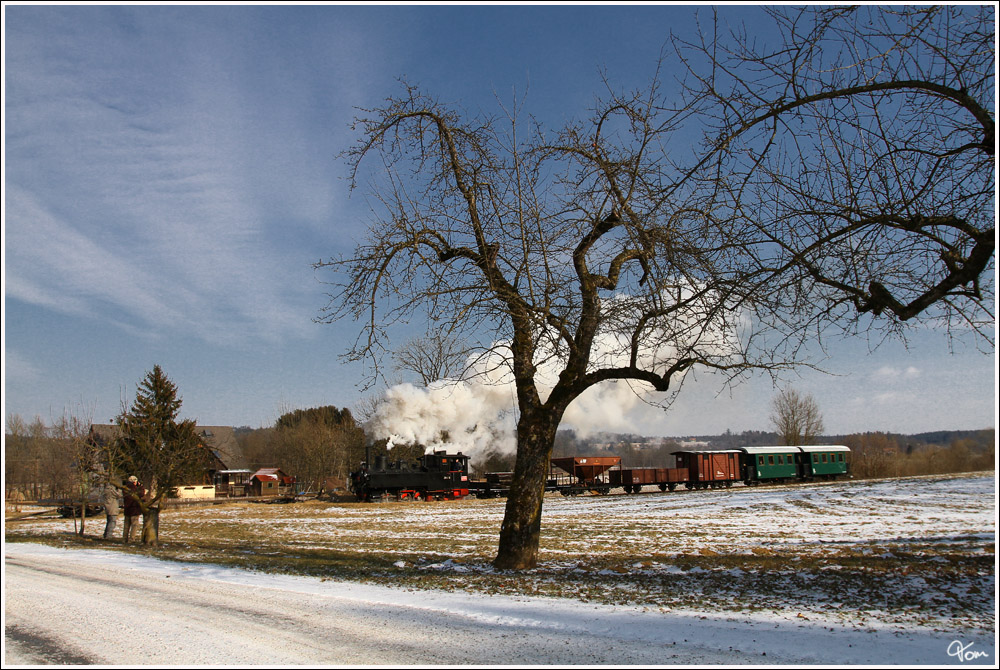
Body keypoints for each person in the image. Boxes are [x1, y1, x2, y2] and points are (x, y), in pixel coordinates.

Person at [122, 476, 145, 544]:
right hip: (134, 509)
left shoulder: (125, 489)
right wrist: (141, 487)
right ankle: (132, 539)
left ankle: (124, 539)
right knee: (134, 525)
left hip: (127, 509)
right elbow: (141, 494)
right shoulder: (135, 489)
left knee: (126, 525)